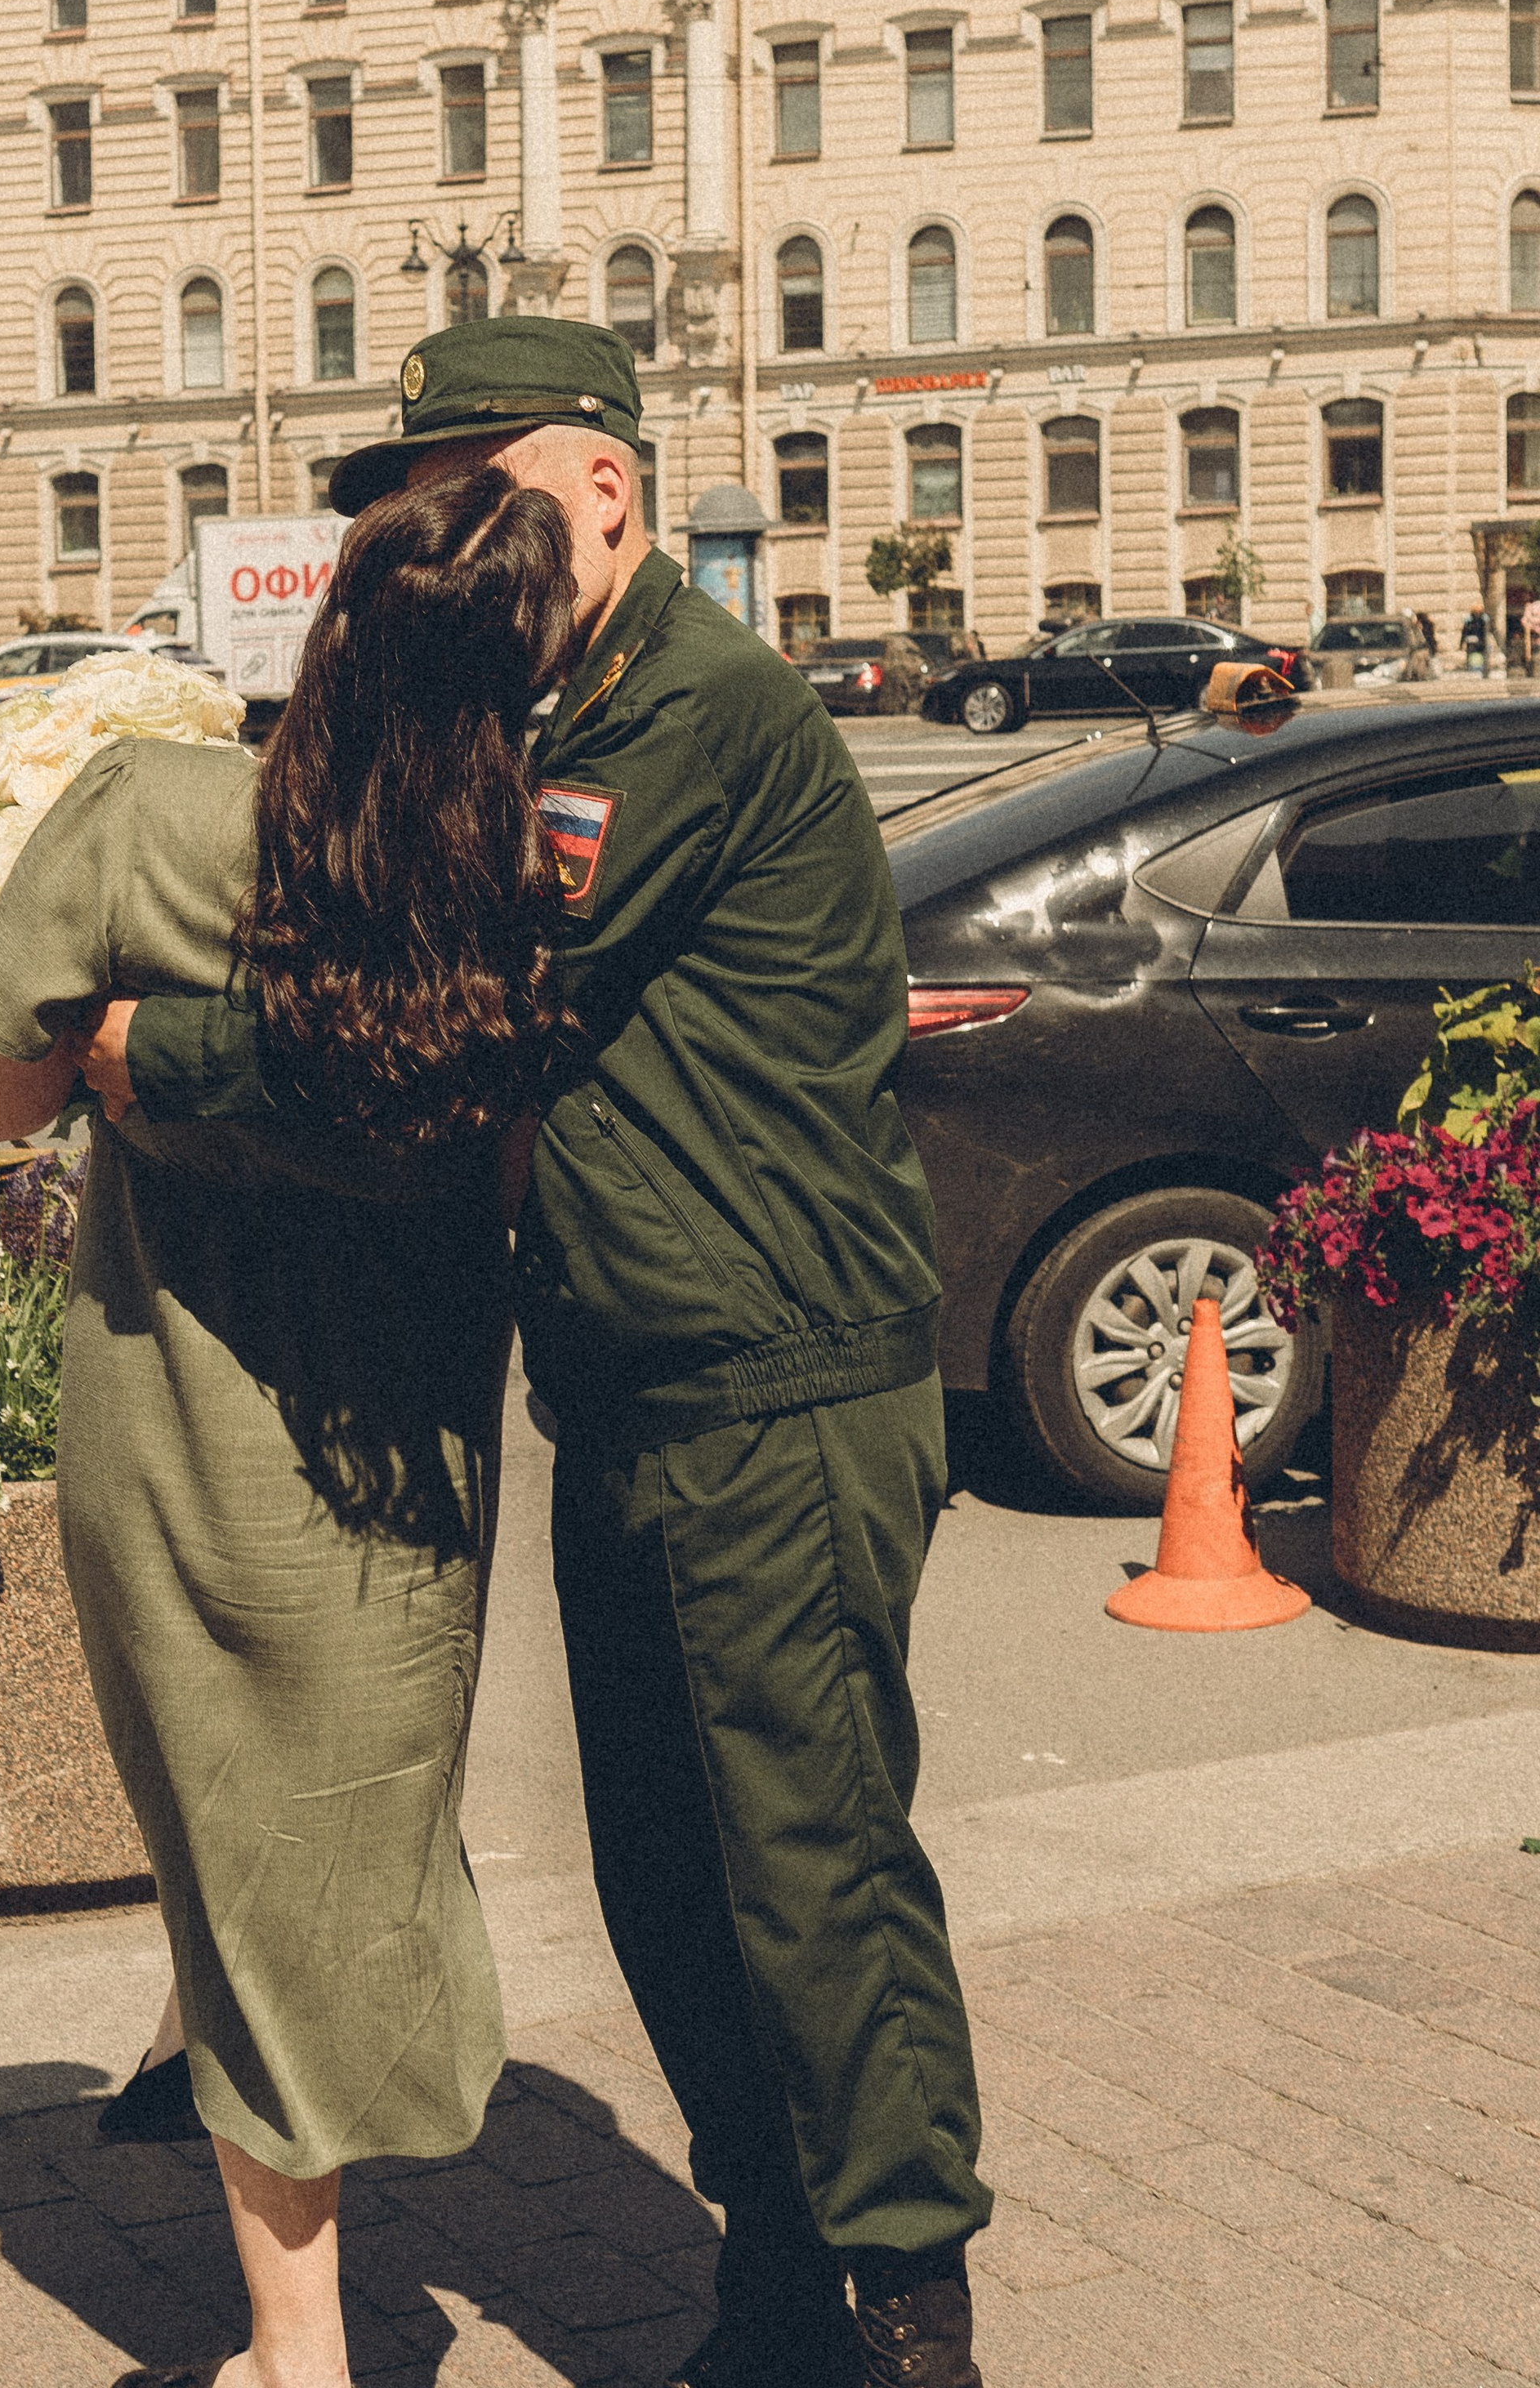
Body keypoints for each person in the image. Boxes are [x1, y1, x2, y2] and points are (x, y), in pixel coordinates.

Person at [89, 322, 994, 2388]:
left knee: (811, 1876)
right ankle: (777, 2291)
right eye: (422, 508)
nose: (443, 538)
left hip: (774, 1388)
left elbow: (467, 1008)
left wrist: (156, 1054)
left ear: (600, 487)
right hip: (635, 1389)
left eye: (474, 492)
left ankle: (904, 2313)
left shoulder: (685, 709)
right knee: (675, 1887)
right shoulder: (543, 699)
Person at [0, 464, 579, 2388]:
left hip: (173, 1430)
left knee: (235, 1851)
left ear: (323, 633)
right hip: (405, 1449)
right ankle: (277, 2116)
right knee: (342, 1832)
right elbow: (512, 1153)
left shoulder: (147, 812)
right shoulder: (521, 879)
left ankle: (296, 2356)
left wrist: (133, 1067)